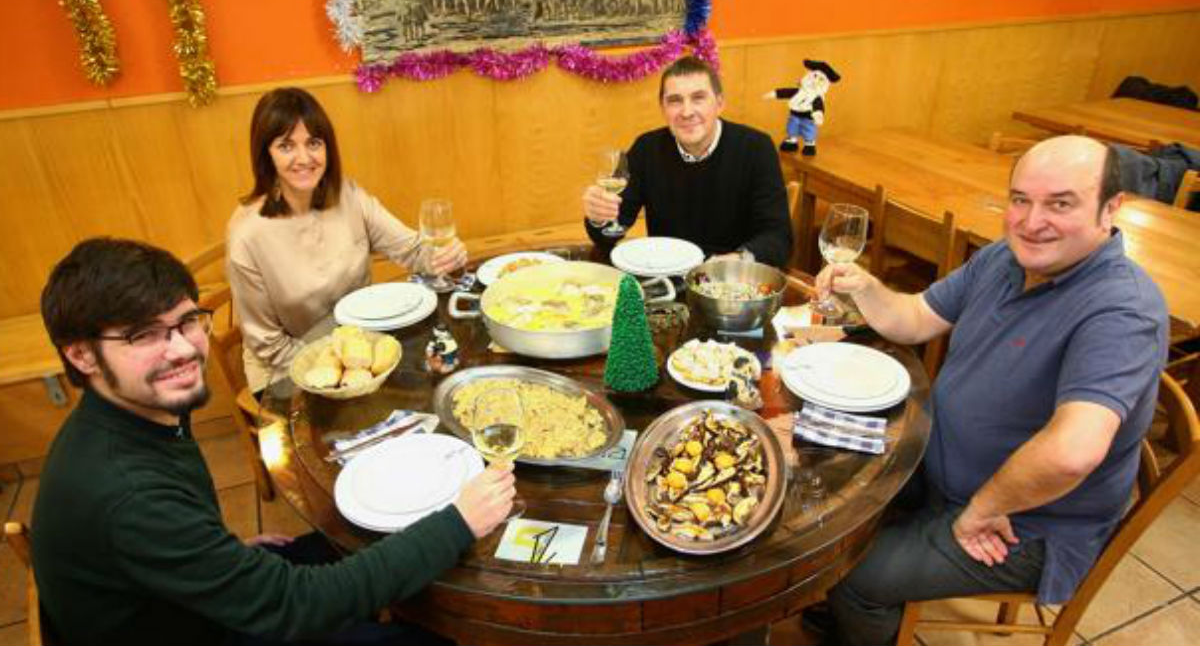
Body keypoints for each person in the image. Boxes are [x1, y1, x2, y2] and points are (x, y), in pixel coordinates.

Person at [32, 237, 515, 646]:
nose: (182, 349)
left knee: (351, 539)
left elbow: (153, 537)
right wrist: (457, 522)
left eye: (185, 322)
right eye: (143, 335)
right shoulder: (129, 499)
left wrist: (211, 553)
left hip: (180, 604)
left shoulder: (128, 418)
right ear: (82, 356)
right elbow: (296, 606)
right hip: (206, 630)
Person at [816, 136, 1168, 645]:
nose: (1031, 221)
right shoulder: (1007, 257)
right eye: (1020, 199)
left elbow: (1072, 452)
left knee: (856, 576)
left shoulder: (1122, 310)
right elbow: (915, 318)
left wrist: (980, 510)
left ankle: (856, 613)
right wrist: (864, 285)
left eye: (1060, 203)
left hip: (1022, 520)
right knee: (830, 484)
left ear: (1111, 208)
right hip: (941, 461)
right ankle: (845, 615)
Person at [227, 87, 467, 394]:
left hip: (362, 355)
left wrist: (447, 258)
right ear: (266, 154)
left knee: (441, 383)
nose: (304, 158)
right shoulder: (248, 234)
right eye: (286, 146)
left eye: (313, 143)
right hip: (289, 370)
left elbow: (412, 251)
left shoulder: (348, 196)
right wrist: (338, 376)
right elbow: (267, 344)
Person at [581, 56, 793, 268]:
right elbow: (609, 231)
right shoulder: (646, 148)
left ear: (719, 104)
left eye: (698, 98)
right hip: (664, 276)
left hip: (731, 280)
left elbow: (778, 238)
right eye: (675, 100)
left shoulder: (757, 148)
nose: (687, 112)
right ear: (663, 108)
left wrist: (735, 261)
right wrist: (598, 218)